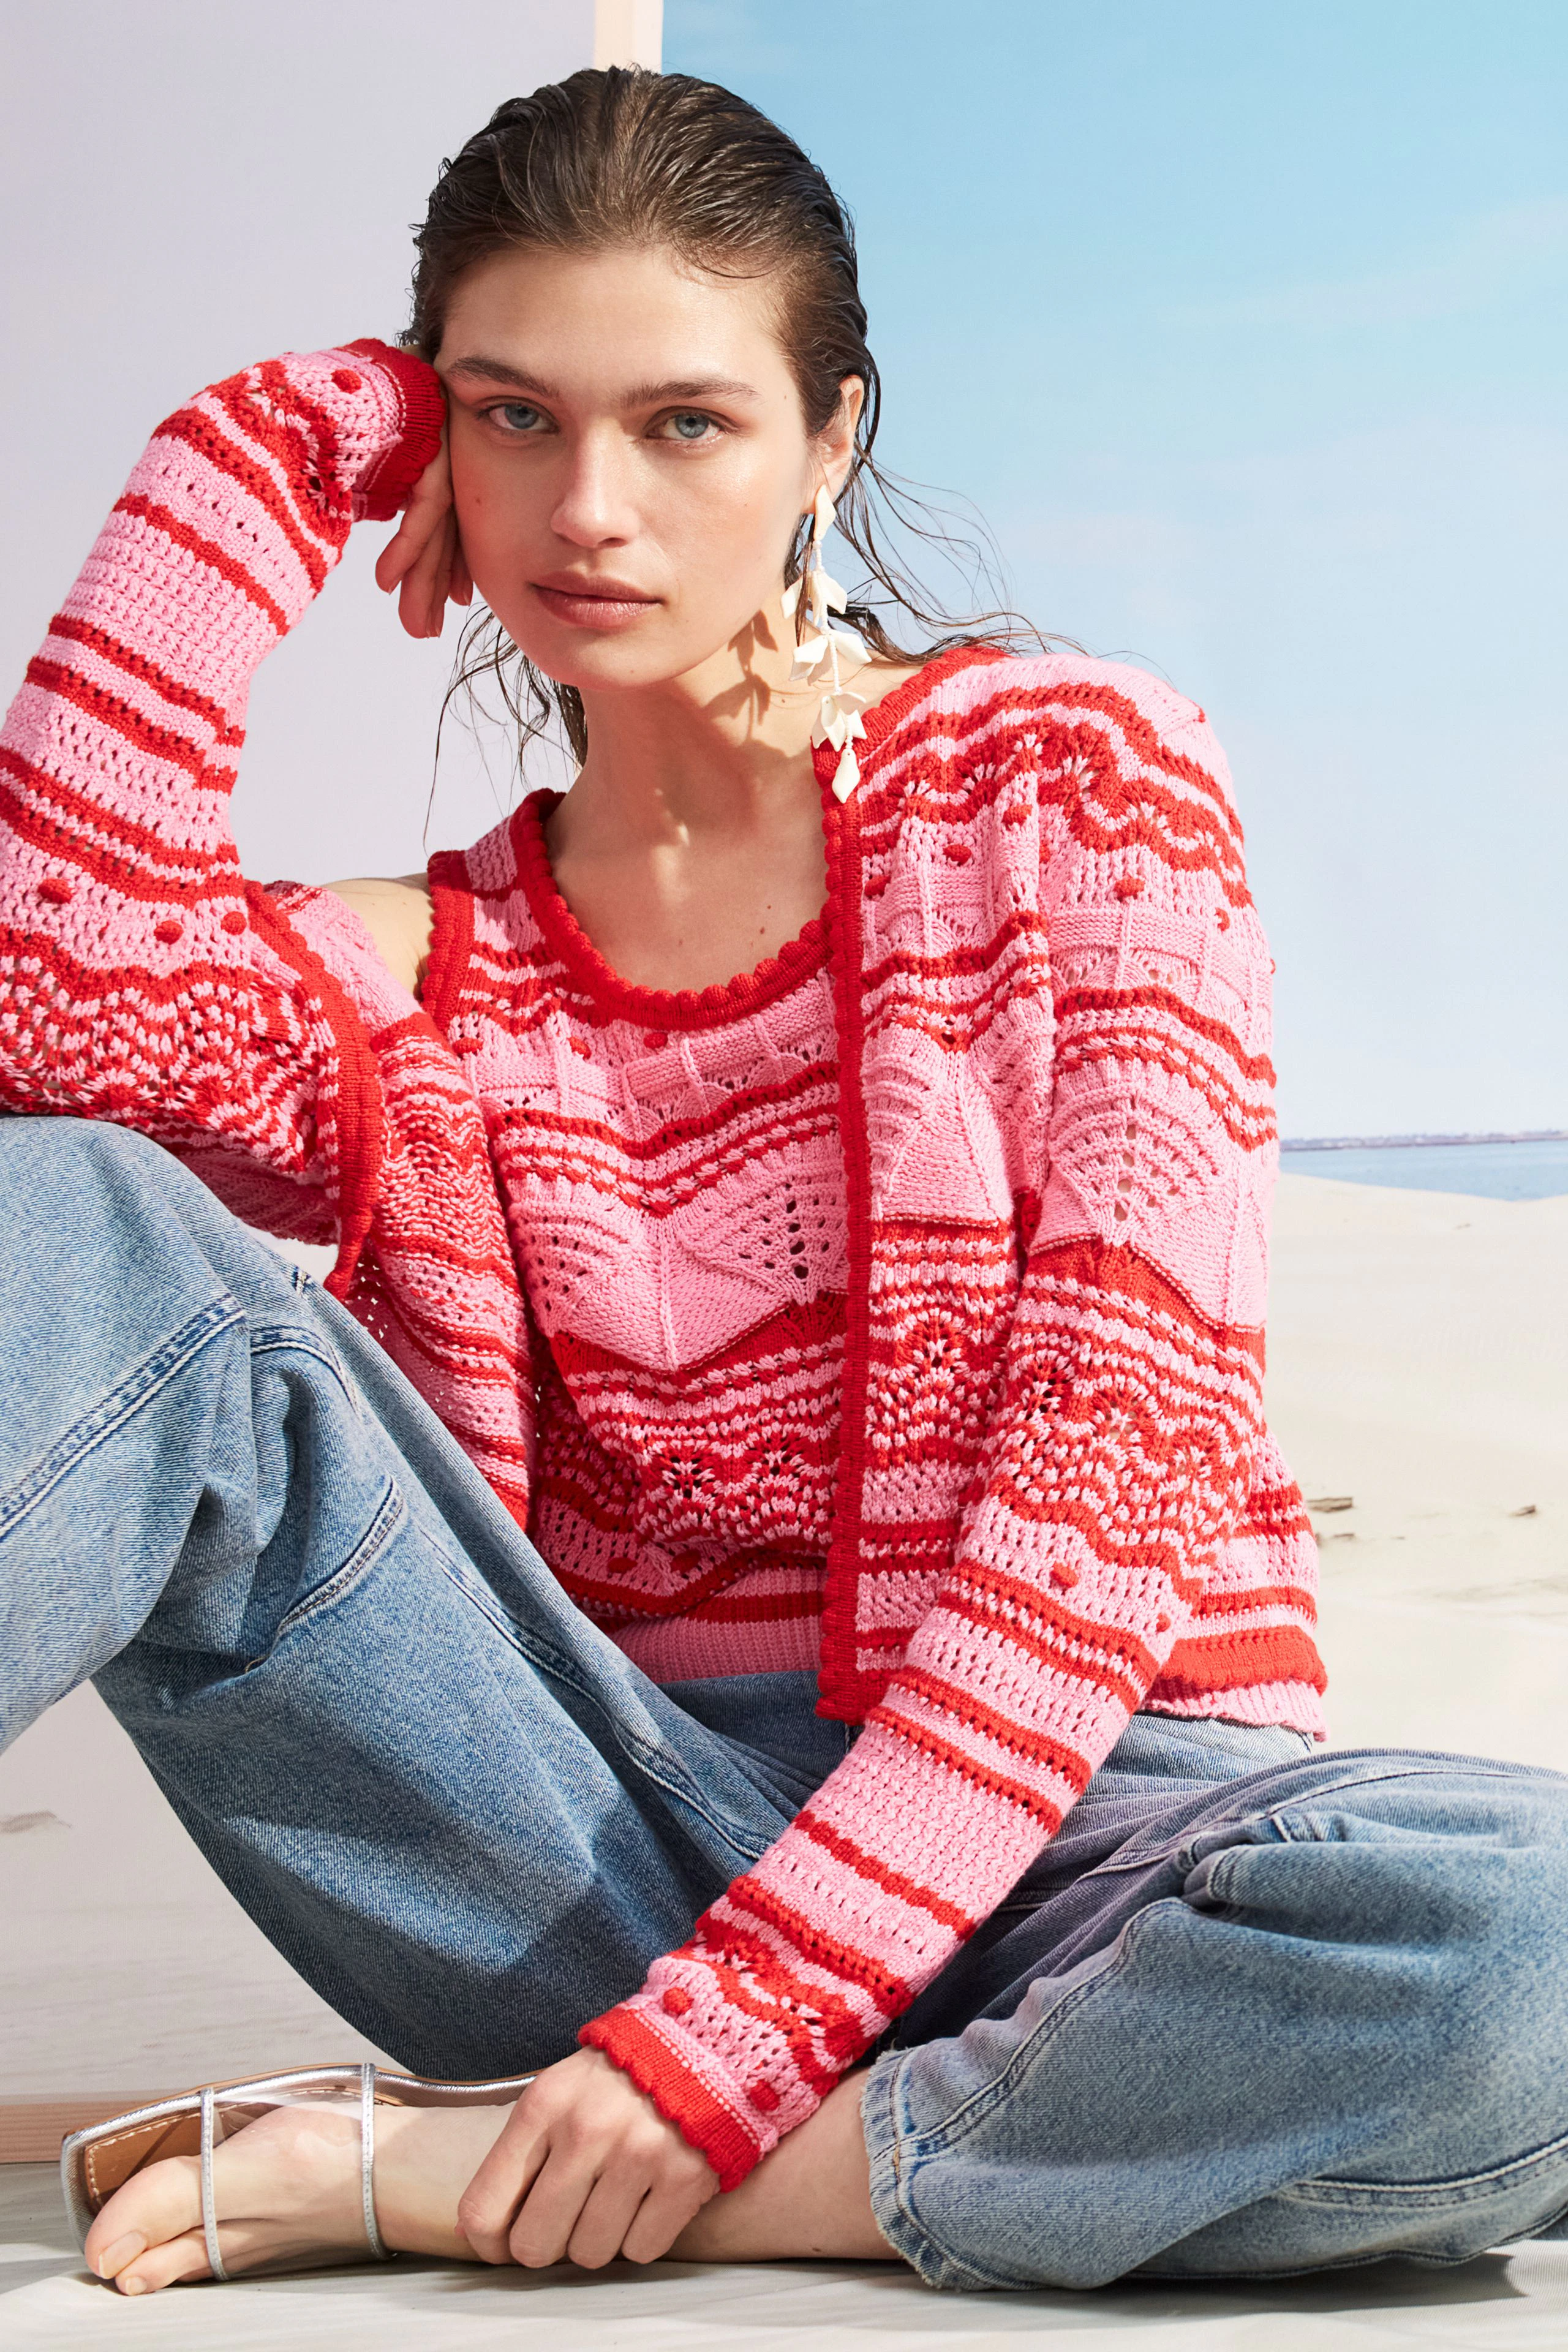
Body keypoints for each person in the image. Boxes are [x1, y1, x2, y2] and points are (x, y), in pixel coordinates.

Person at [4, 65, 1568, 2302]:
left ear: (833, 436)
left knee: (1535, 1935)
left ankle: (585, 2174)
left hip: (1090, 1834)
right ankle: (939, 2145)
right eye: (510, 417)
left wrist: (724, 2062)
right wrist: (259, 453)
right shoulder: (426, 971)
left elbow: (1111, 1476)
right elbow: (49, 1008)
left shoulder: (1075, 786)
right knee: (70, 1215)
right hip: (593, 1834)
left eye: (687, 423)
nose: (591, 506)